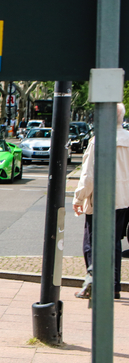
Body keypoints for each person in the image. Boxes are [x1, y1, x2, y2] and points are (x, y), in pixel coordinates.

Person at [73, 102, 129, 300]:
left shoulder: (99, 140)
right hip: (124, 200)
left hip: (101, 200)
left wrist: (79, 198)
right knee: (114, 242)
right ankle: (113, 286)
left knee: (91, 242)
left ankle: (93, 284)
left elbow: (88, 176)